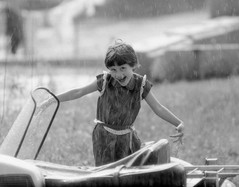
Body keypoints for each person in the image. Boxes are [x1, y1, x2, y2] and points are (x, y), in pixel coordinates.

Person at [38, 40, 184, 166]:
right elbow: (79, 91)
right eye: (113, 69)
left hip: (127, 138)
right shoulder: (105, 81)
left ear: (133, 65)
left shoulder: (141, 85)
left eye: (123, 68)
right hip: (103, 137)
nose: (118, 74)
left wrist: (178, 123)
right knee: (107, 174)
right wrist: (53, 99)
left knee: (129, 173)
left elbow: (158, 108)